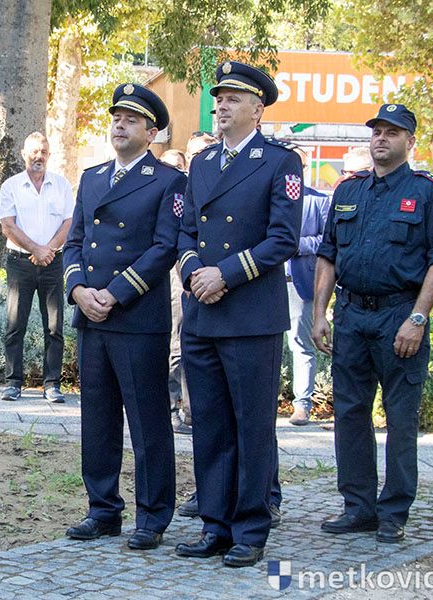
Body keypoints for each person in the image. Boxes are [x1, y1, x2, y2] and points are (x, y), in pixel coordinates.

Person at [173, 61, 302, 568]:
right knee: (209, 424)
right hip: (203, 312)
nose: (221, 106)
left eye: (232, 99)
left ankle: (250, 528)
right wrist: (193, 272)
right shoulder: (203, 162)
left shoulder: (279, 162)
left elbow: (282, 239)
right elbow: (185, 230)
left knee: (251, 426)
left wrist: (223, 274)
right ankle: (215, 524)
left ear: (257, 109)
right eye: (219, 98)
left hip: (249, 315)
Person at [313, 104, 433, 543]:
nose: (381, 138)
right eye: (377, 131)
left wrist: (418, 318)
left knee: (400, 418)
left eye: (392, 132)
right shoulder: (348, 190)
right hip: (352, 315)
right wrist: (319, 313)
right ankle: (358, 507)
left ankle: (393, 512)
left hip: (400, 315)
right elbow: (328, 254)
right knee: (349, 414)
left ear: (410, 142)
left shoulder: (428, 192)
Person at [63, 83, 186, 551]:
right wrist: (79, 290)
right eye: (116, 118)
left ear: (151, 132)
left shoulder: (168, 181)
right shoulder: (93, 177)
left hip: (136, 318)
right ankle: (102, 509)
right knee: (97, 419)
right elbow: (74, 242)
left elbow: (164, 248)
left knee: (147, 422)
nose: (120, 125)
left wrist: (113, 294)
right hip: (92, 316)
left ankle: (152, 516)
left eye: (131, 120)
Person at [0, 132, 75, 403]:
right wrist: (36, 249)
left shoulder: (62, 185)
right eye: (33, 151)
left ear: (49, 155)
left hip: (53, 262)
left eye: (43, 151)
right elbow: (8, 225)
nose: (38, 156)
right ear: (24, 154)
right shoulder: (11, 186)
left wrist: (48, 250)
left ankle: (52, 384)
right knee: (15, 324)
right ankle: (13, 383)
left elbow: (69, 222)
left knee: (54, 326)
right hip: (20, 263)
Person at [286, 148, 332, 426]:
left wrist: (295, 245)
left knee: (300, 344)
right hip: (266, 282)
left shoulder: (318, 201)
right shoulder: (264, 197)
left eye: (299, 165)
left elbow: (327, 242)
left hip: (300, 282)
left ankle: (302, 404)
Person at [159, 148, 193, 435]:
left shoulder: (196, 190)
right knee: (175, 347)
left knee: (193, 347)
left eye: (180, 167)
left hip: (199, 275)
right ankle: (171, 409)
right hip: (174, 274)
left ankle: (192, 411)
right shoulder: (165, 192)